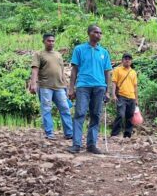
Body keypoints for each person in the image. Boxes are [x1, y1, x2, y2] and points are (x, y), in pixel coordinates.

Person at [67, 25, 112, 154]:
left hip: (99, 87)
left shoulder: (104, 52)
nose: (98, 34)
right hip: (83, 86)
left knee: (96, 115)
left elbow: (107, 72)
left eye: (100, 33)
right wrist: (71, 88)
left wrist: (108, 91)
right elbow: (74, 70)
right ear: (89, 33)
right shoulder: (79, 49)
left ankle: (91, 144)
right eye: (96, 32)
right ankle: (76, 144)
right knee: (80, 113)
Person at [28, 33, 73, 141]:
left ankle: (69, 133)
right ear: (44, 42)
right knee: (46, 109)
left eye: (53, 41)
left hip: (59, 87)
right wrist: (33, 83)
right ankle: (49, 133)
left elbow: (61, 71)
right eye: (49, 41)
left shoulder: (58, 55)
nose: (51, 43)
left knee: (65, 109)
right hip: (45, 86)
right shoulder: (39, 54)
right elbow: (35, 70)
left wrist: (66, 85)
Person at [111, 52, 138, 138]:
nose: (127, 60)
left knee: (130, 116)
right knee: (120, 115)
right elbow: (114, 83)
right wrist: (113, 94)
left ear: (131, 61)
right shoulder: (117, 70)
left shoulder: (133, 72)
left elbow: (135, 86)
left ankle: (127, 134)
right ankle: (114, 134)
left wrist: (136, 99)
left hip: (132, 97)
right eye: (125, 59)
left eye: (129, 59)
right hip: (121, 96)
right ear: (122, 60)